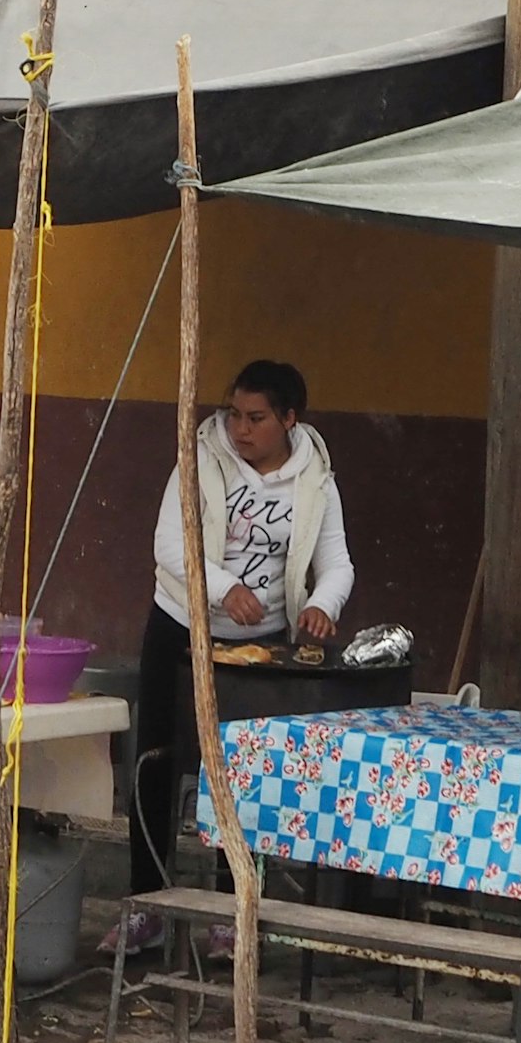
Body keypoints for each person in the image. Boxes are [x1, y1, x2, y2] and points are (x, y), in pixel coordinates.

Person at [127, 358, 355, 906]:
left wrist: (323, 604)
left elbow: (337, 562)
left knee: (245, 777)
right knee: (156, 761)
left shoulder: (316, 481)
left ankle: (236, 910)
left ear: (290, 421)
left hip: (258, 648)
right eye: (235, 415)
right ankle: (147, 900)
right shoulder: (199, 462)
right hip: (179, 629)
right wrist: (225, 588)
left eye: (256, 418)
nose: (240, 430)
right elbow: (169, 545)